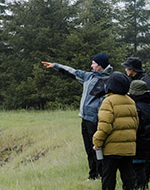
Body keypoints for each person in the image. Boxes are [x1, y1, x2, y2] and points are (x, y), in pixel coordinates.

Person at [42, 53, 112, 181]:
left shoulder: (109, 80)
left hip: (97, 120)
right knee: (88, 148)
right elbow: (72, 72)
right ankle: (93, 175)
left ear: (100, 66)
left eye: (94, 63)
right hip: (85, 119)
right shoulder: (88, 76)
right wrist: (55, 66)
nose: (91, 65)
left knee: (98, 148)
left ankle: (103, 175)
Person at [93, 72, 139, 190]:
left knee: (108, 177)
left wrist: (97, 142)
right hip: (129, 148)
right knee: (128, 176)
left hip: (112, 149)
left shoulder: (108, 101)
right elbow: (136, 123)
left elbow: (104, 126)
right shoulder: (131, 101)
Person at [129, 78, 150, 190]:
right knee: (146, 164)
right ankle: (144, 184)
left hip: (138, 142)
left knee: (137, 167)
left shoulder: (135, 108)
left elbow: (134, 127)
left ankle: (140, 189)